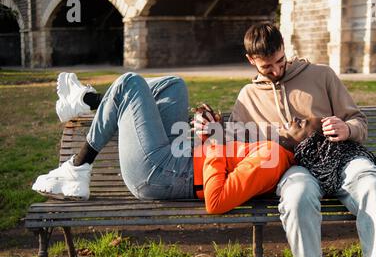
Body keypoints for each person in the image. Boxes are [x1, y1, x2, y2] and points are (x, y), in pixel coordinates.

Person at [194, 23, 376, 257]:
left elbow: (359, 121)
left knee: (374, 189)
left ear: (284, 49)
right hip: (294, 168)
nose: (276, 70)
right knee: (296, 197)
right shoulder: (248, 97)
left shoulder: (321, 75)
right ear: (250, 60)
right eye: (267, 67)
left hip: (341, 156)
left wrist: (346, 128)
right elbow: (236, 146)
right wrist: (208, 127)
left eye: (280, 61)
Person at [32, 72, 294, 214]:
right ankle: (86, 101)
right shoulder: (271, 148)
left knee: (129, 83)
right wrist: (208, 130)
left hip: (159, 174)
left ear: (302, 144)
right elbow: (225, 161)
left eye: (301, 124)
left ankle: (78, 166)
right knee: (173, 85)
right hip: (174, 159)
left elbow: (215, 200)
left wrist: (213, 144)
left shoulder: (273, 156)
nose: (292, 120)